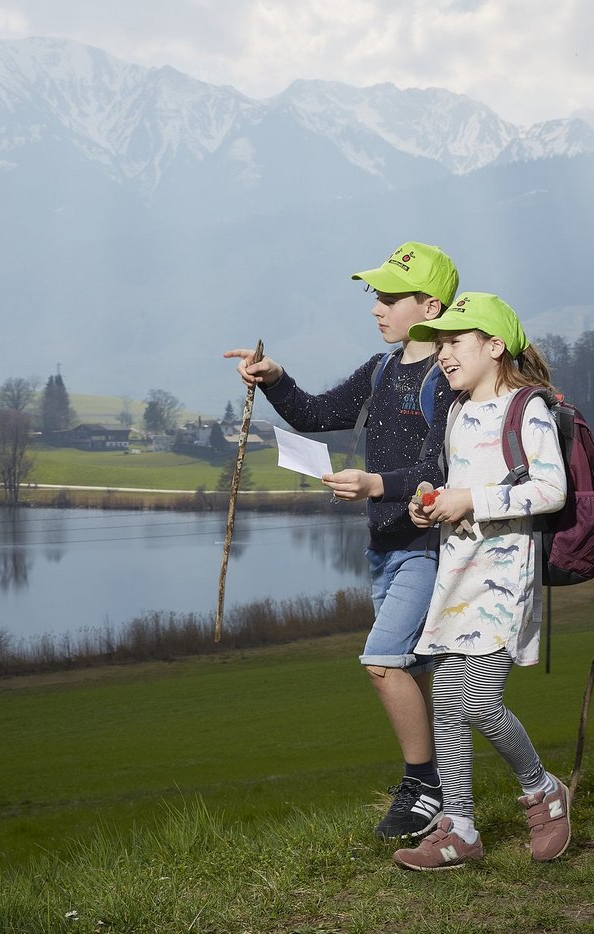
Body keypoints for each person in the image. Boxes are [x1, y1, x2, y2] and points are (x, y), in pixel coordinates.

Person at [223, 241, 460, 839]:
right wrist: (276, 378)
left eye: (390, 298)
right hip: (383, 550)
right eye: (376, 296)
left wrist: (376, 483)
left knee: (383, 661)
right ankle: (445, 793)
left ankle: (424, 787)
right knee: (412, 668)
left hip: (428, 548)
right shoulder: (381, 369)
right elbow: (313, 414)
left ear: (430, 306)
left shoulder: (449, 378)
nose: (376, 308)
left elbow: (441, 470)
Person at [389, 292, 572, 870]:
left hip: (504, 579)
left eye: (455, 342)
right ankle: (461, 829)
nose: (443, 353)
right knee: (447, 702)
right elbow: (460, 484)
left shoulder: (527, 409)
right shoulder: (457, 412)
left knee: (479, 702)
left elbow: (552, 491)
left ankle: (543, 790)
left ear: (494, 347)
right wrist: (431, 503)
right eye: (439, 343)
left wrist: (473, 499)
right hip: (458, 575)